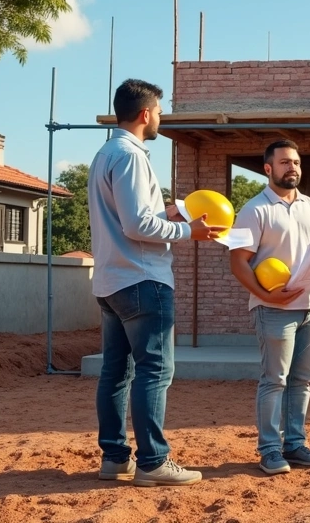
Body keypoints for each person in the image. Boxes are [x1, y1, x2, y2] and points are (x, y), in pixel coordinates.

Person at [89, 78, 225, 487]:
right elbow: (135, 224)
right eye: (160, 112)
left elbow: (130, 216)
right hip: (143, 280)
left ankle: (115, 458)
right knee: (155, 371)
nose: (161, 119)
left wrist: (169, 214)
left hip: (112, 280)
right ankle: (153, 462)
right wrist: (189, 233)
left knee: (116, 372)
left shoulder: (104, 154)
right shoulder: (131, 156)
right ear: (146, 114)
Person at [229, 139, 310, 475]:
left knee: (302, 381)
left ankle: (295, 444)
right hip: (273, 310)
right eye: (286, 162)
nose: (294, 168)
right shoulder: (254, 210)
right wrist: (268, 296)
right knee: (274, 380)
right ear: (268, 168)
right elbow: (238, 263)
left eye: (298, 163)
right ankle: (270, 450)